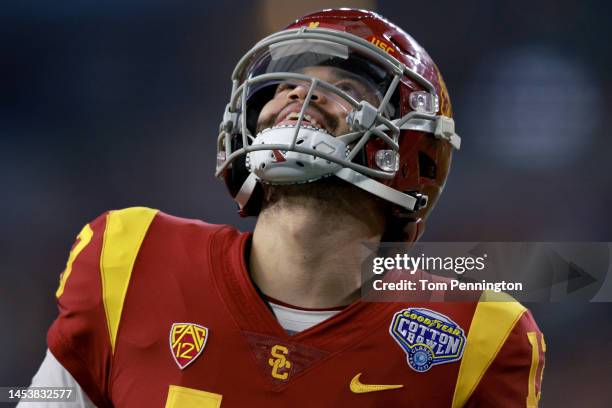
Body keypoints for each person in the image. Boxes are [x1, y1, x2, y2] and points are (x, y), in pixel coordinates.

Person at [22, 9, 545, 407]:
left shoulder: (480, 336)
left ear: (410, 149)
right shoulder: (131, 257)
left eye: (346, 88)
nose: (301, 93)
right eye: (288, 84)